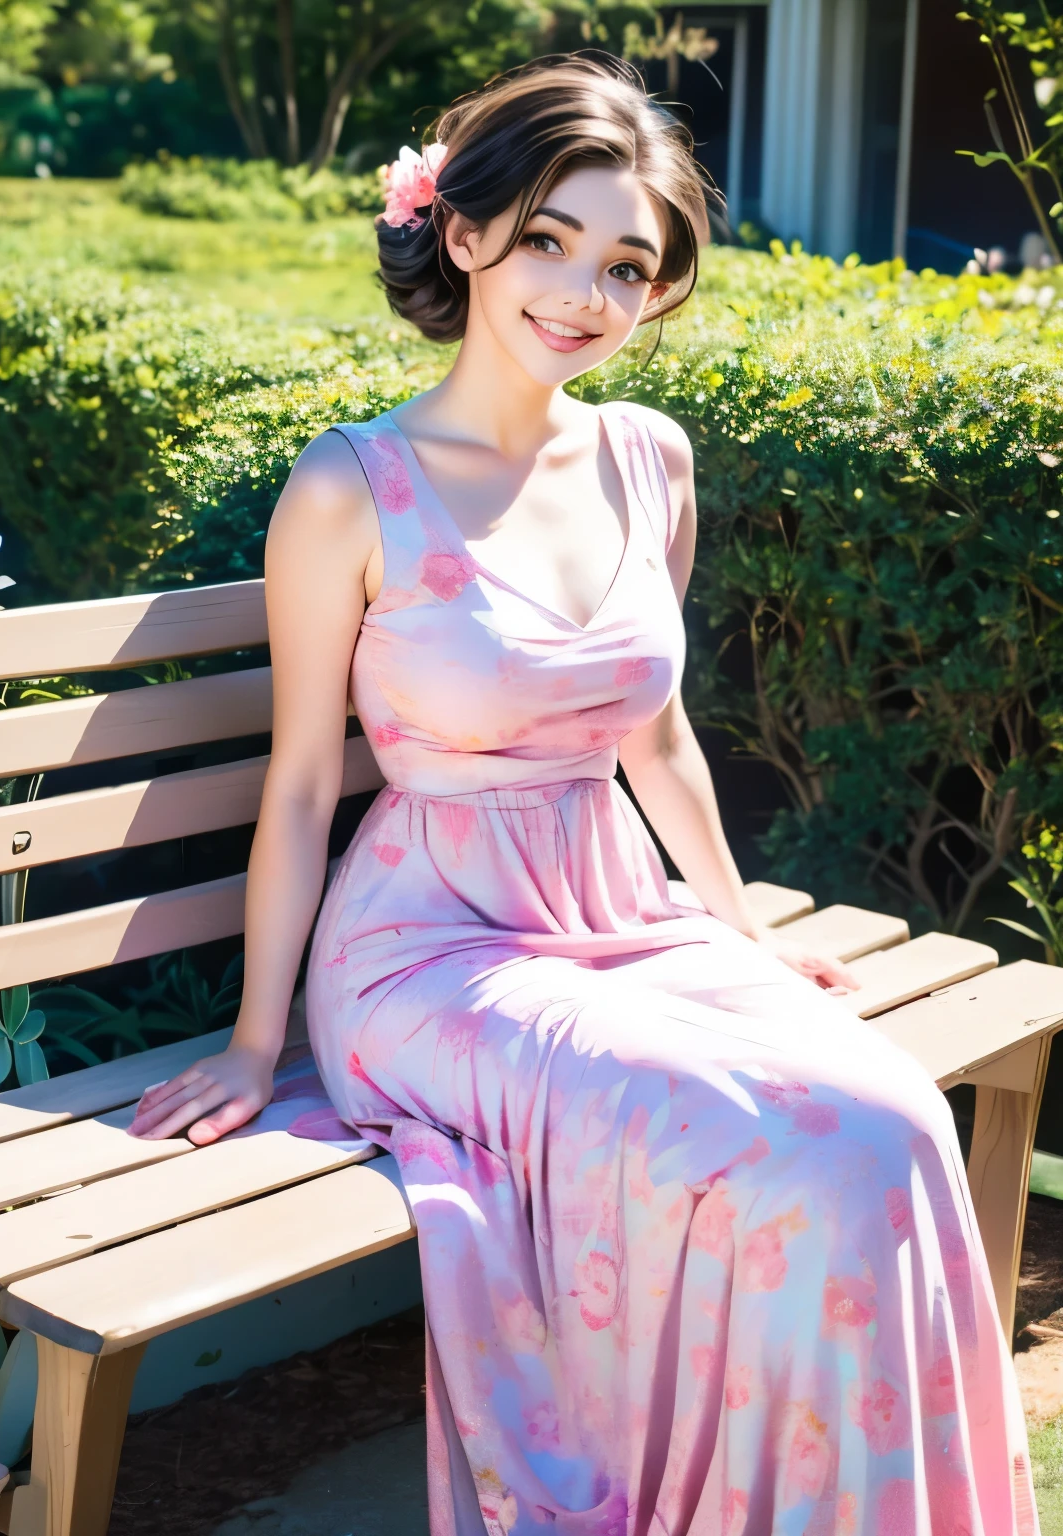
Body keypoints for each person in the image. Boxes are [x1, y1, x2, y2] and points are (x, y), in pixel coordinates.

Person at [131, 52, 1039, 1536]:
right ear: (464, 231)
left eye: (627, 265)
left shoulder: (647, 461)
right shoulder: (352, 487)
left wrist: (736, 934)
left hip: (618, 910)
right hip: (428, 952)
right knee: (809, 1143)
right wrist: (253, 1043)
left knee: (893, 1120)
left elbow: (660, 738)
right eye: (549, 238)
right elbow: (302, 787)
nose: (582, 293)